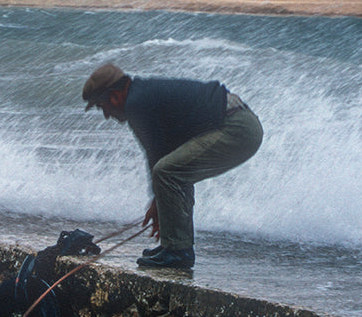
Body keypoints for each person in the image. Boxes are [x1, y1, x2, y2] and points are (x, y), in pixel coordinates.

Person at [82, 61, 263, 271]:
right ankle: (175, 247)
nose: (106, 115)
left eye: (101, 107)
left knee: (167, 171)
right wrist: (159, 202)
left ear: (113, 96)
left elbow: (156, 157)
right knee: (174, 171)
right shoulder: (142, 95)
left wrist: (158, 203)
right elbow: (165, 155)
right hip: (241, 123)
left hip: (237, 128)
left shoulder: (136, 103)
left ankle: (178, 252)